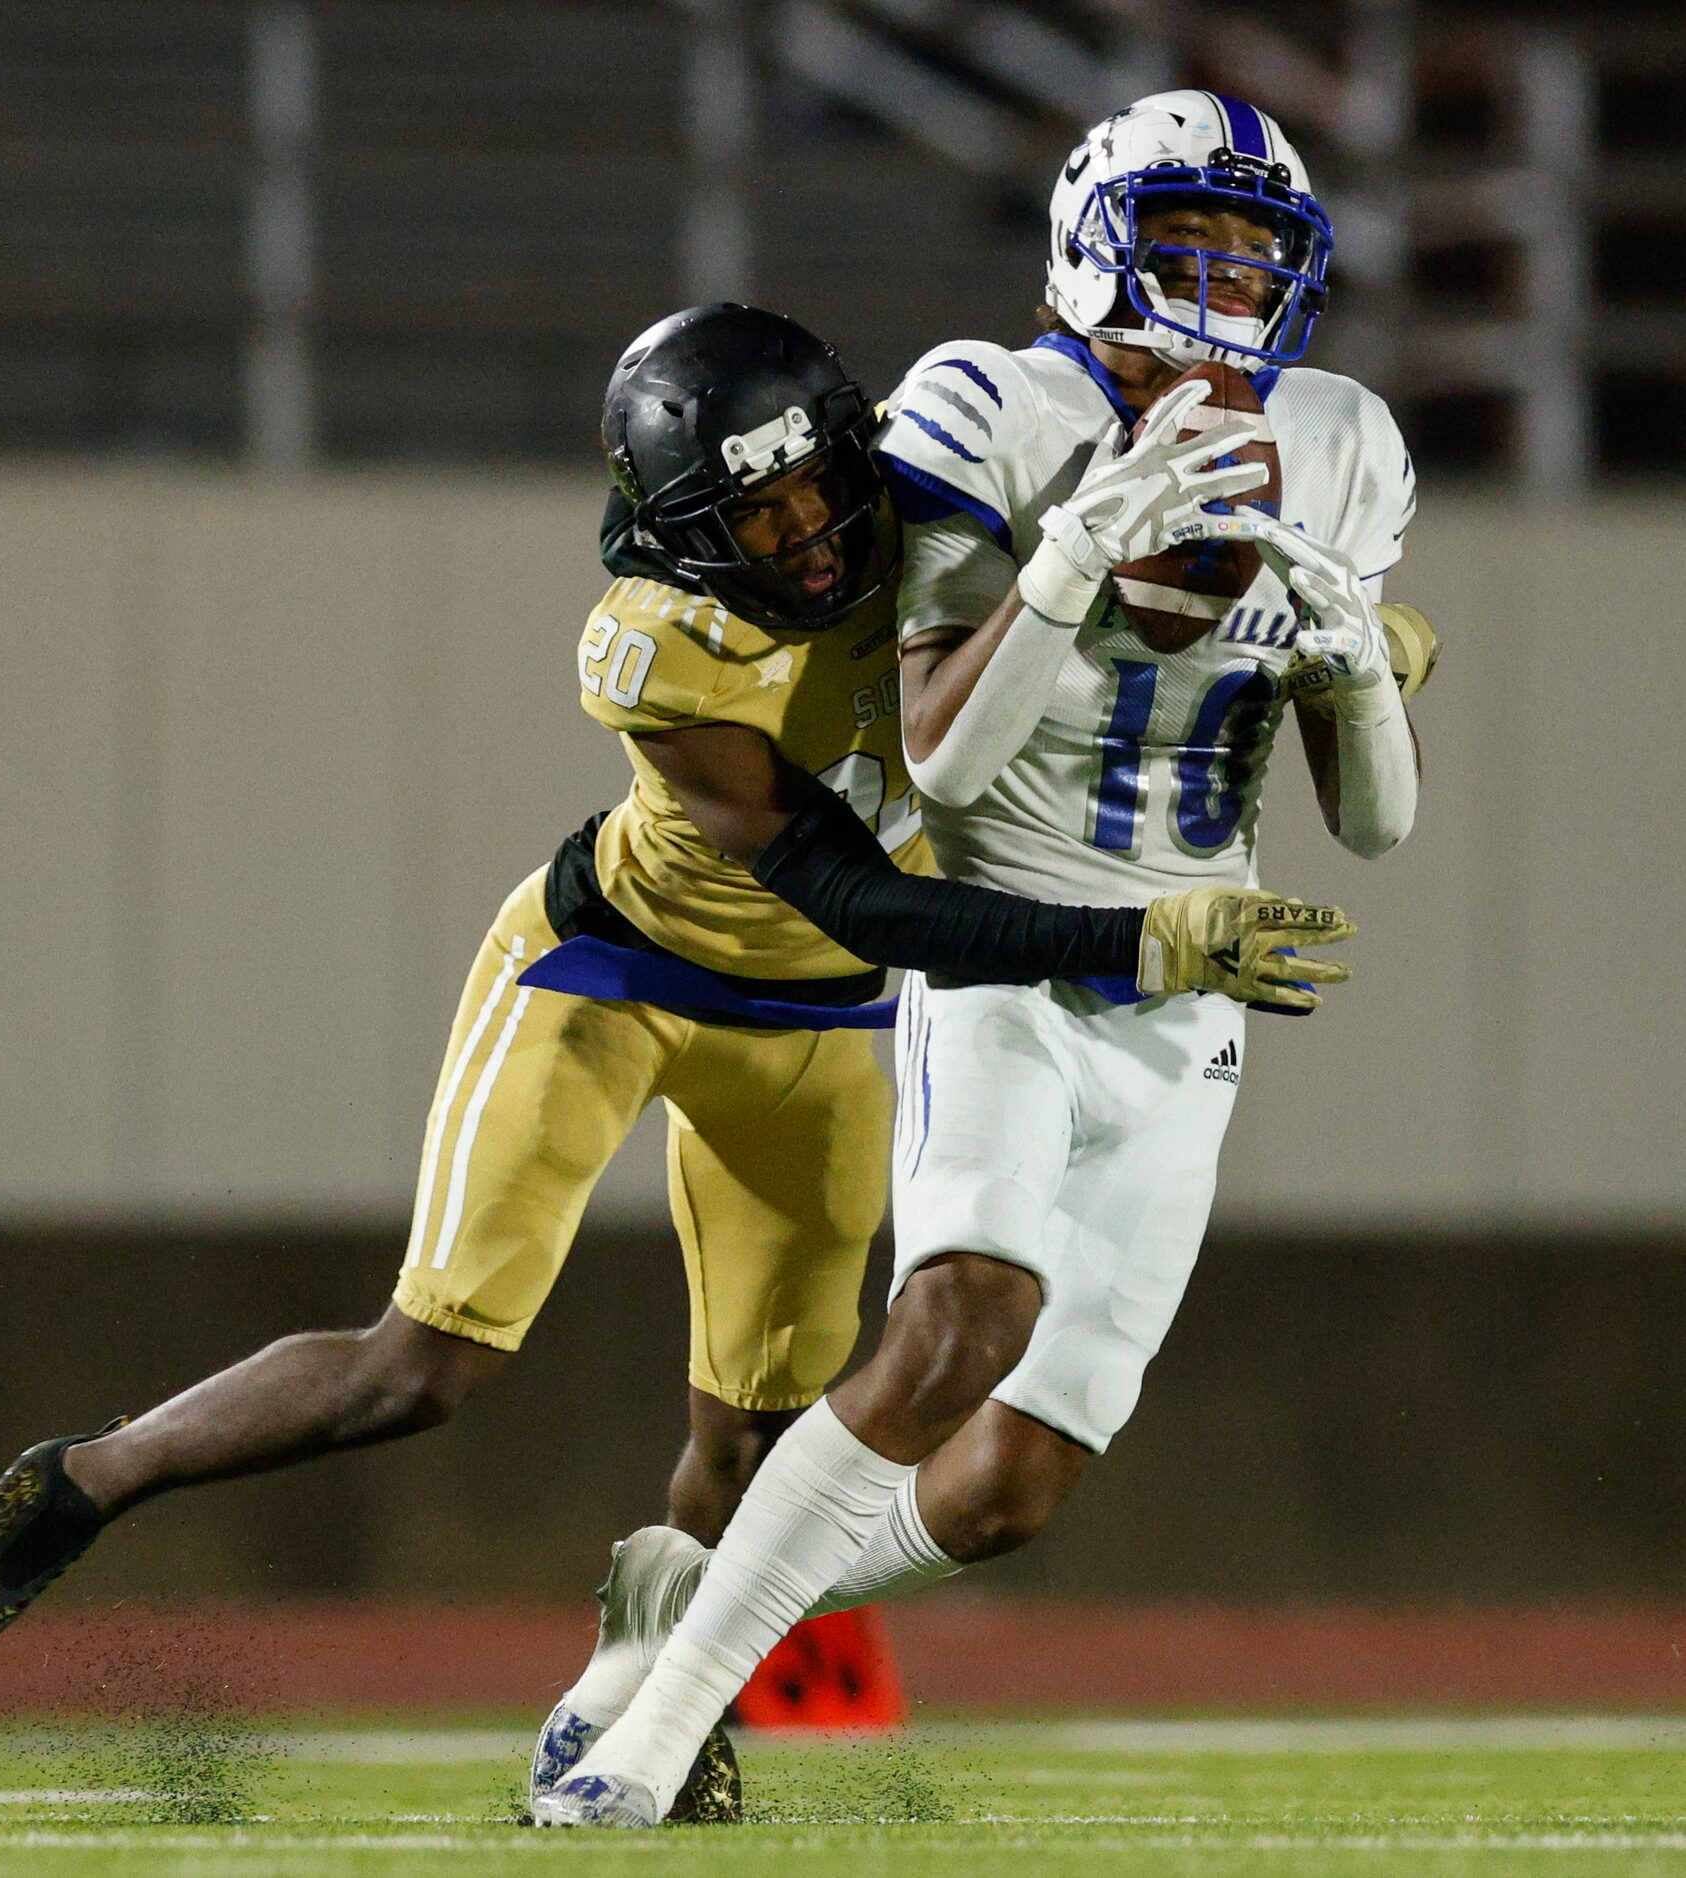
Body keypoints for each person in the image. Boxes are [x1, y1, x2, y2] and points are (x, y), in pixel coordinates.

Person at [0, 302, 1344, 1816]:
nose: (804, 533)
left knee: (752, 1448)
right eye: (755, 511)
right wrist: (1130, 944)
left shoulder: (953, 526)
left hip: (832, 1025)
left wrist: (1345, 642)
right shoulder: (660, 638)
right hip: (616, 969)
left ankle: (660, 1694)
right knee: (422, 1367)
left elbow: (1157, 640)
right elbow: (855, 887)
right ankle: (96, 1473)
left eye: (813, 485)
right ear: (682, 531)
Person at [533, 91, 1430, 1829]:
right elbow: (939, 757)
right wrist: (1077, 547)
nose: (1228, 281)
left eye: (1256, 252)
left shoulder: (1341, 441)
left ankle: (677, 1618)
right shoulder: (991, 402)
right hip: (1009, 948)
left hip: (1194, 995)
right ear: (1098, 247)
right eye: (1190, 244)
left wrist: (1356, 671)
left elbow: (1374, 825)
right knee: (960, 1318)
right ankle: (639, 1754)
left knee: (1014, 1480)